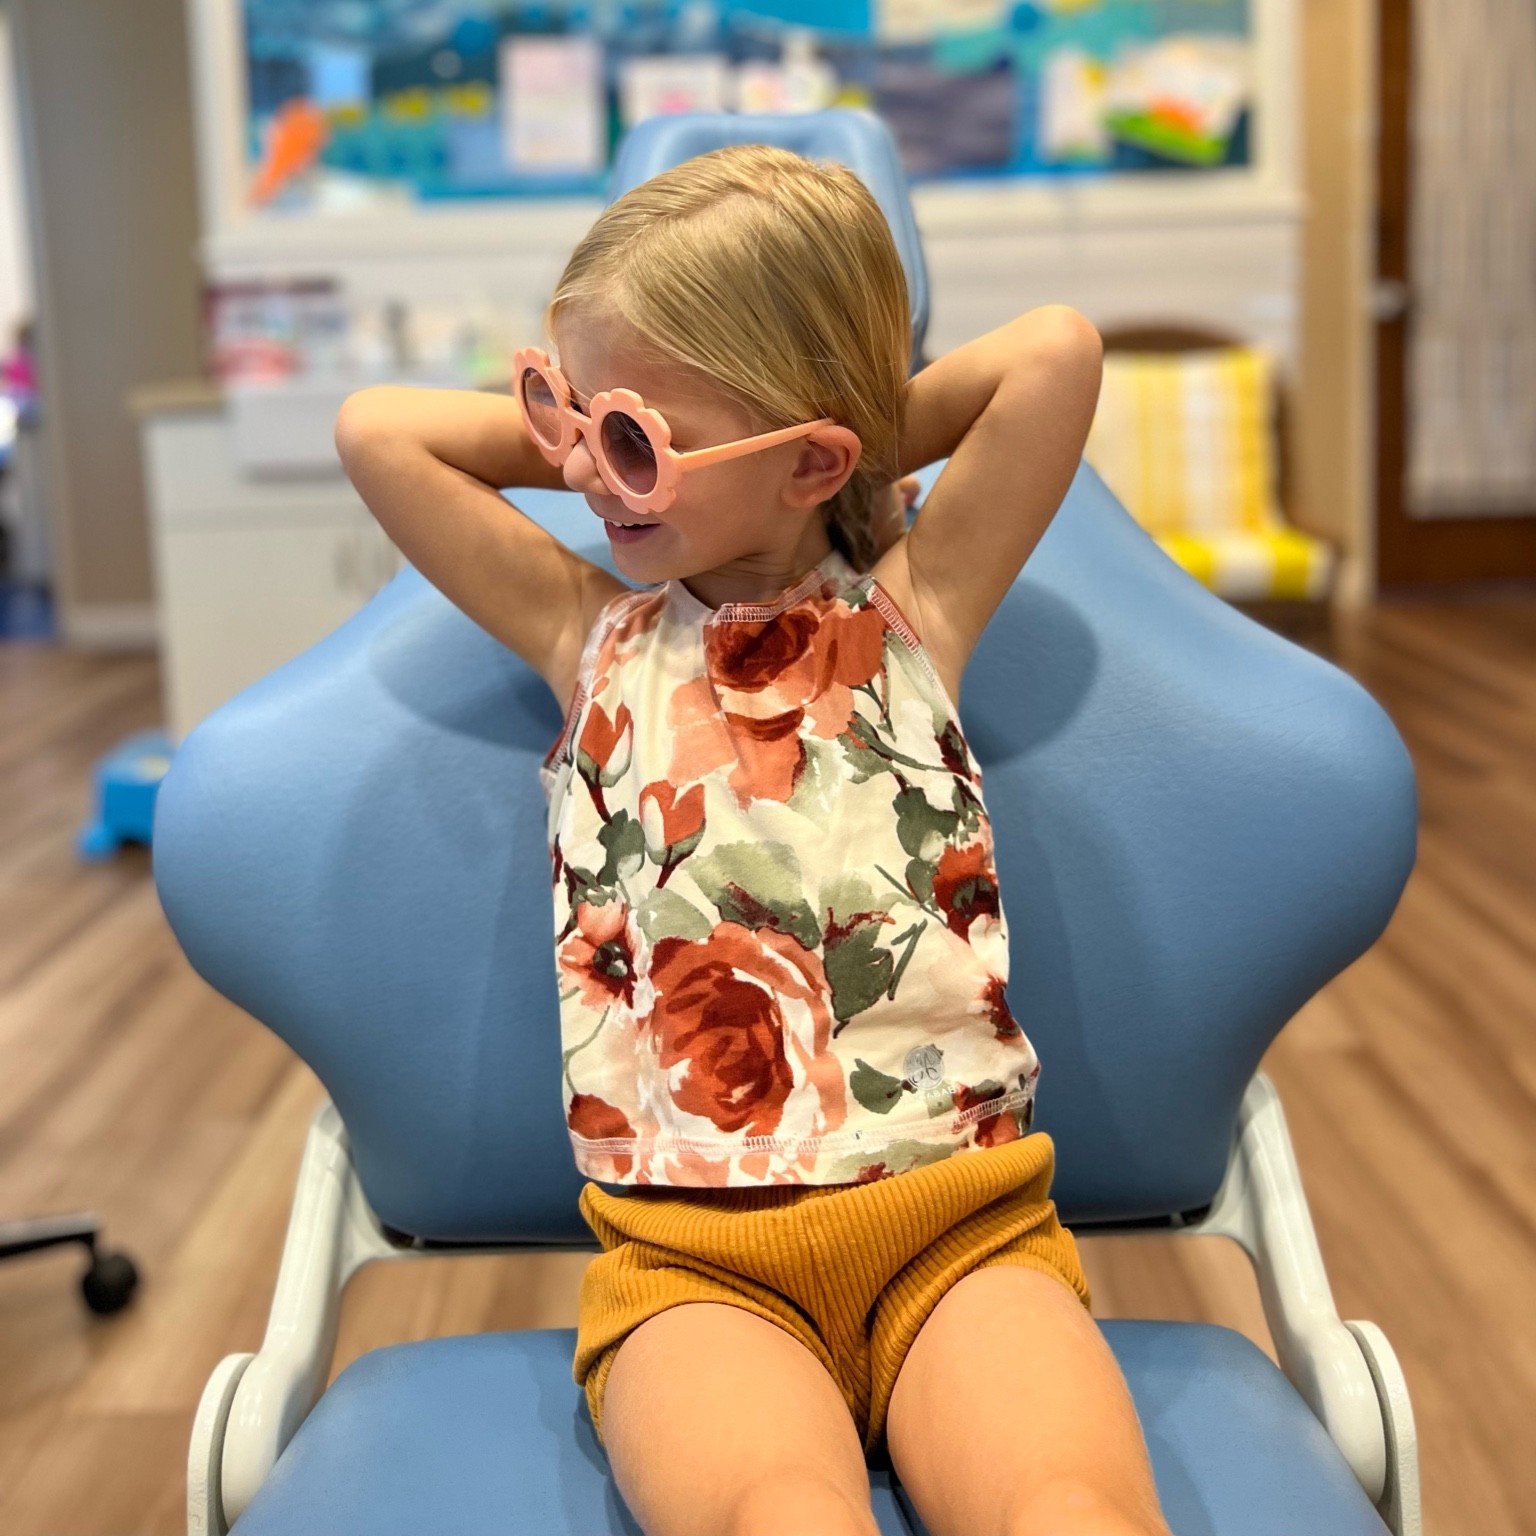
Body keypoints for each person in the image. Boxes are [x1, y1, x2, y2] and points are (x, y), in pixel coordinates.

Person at [335, 143, 1170, 1536]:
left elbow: (1054, 356)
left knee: (1072, 1513)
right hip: (691, 1272)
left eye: (633, 441)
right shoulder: (585, 634)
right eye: (567, 415)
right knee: (781, 1518)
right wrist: (596, 426)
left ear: (815, 454)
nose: (589, 474)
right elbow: (378, 431)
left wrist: (828, 457)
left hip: (963, 1240)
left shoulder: (915, 612)